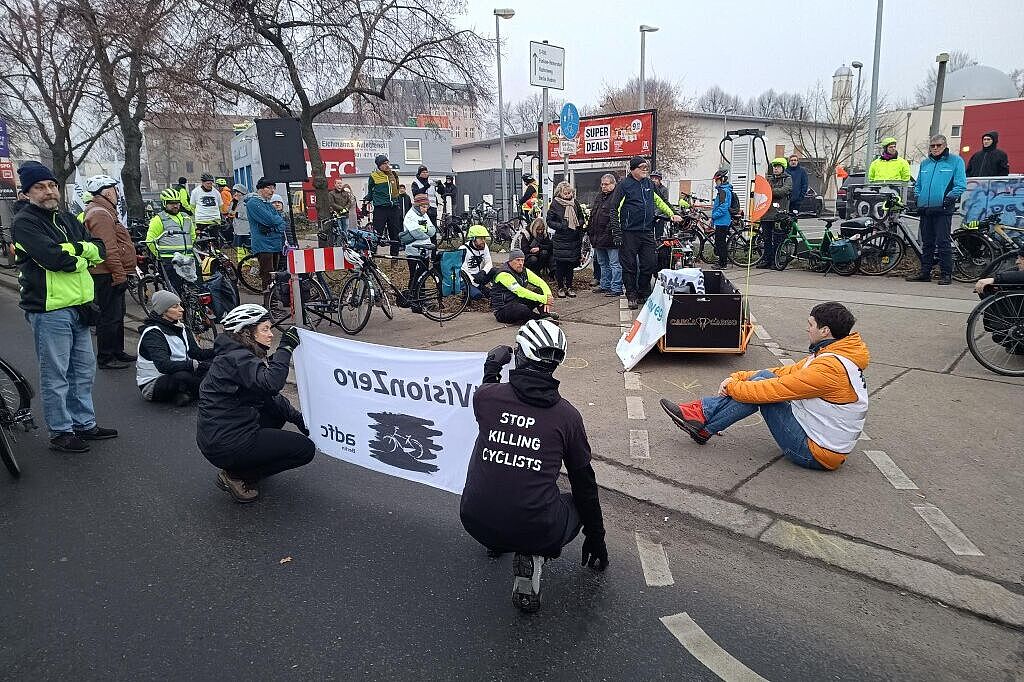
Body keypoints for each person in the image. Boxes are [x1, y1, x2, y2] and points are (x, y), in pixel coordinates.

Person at [460, 320, 607, 612]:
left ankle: (497, 542)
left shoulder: (486, 398)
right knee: (578, 499)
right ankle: (530, 556)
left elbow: (489, 386)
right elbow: (585, 485)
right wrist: (596, 537)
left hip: (475, 519)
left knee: (490, 452)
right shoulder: (568, 417)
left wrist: (492, 365)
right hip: (537, 530)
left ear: (519, 354)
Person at [660, 302, 869, 472]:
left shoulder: (829, 368)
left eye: (811, 324)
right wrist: (739, 376)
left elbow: (772, 390)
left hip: (815, 454)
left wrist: (732, 386)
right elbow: (782, 373)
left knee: (764, 391)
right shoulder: (834, 355)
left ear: (824, 331)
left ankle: (702, 419)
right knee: (765, 378)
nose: (807, 328)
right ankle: (702, 423)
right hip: (820, 441)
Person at [11, 161, 116, 453]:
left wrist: (75, 251)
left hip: (80, 305)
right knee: (56, 375)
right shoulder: (25, 222)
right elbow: (55, 259)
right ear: (27, 192)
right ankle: (60, 431)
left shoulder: (67, 218)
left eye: (52, 185)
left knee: (83, 371)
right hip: (50, 310)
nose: (48, 191)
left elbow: (100, 250)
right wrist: (81, 253)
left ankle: (84, 423)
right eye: (40, 187)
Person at [197, 305, 313, 503]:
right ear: (247, 333)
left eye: (270, 328)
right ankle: (237, 475)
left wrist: (298, 419)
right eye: (265, 329)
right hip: (226, 442)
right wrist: (285, 347)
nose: (271, 334)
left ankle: (245, 463)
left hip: (220, 436)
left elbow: (270, 397)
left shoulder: (235, 354)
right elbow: (271, 384)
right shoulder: (236, 358)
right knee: (305, 449)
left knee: (276, 411)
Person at [608, 157, 683, 309]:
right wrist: (617, 232)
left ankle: (643, 291)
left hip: (647, 231)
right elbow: (614, 209)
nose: (645, 169)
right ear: (633, 169)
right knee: (629, 266)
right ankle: (631, 295)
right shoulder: (624, 185)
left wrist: (672, 214)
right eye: (641, 167)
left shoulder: (649, 184)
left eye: (646, 167)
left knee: (650, 264)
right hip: (628, 232)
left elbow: (660, 201)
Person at [82, 174, 136, 370]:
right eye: (115, 189)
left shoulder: (104, 211)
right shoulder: (100, 214)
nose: (117, 193)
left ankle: (117, 351)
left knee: (117, 314)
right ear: (107, 192)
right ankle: (106, 357)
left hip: (110, 272)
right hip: (107, 274)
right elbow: (108, 249)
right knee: (109, 317)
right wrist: (119, 275)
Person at [906, 134, 967, 286]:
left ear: (945, 145)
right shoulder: (925, 163)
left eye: (938, 145)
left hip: (943, 209)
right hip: (926, 208)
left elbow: (961, 184)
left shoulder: (955, 161)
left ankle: (946, 274)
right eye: (932, 146)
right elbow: (918, 184)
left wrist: (949, 198)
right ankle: (925, 272)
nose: (935, 148)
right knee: (927, 242)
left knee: (943, 242)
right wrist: (918, 197)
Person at [136, 290, 215, 406]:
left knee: (216, 361)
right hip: (154, 382)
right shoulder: (153, 334)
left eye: (180, 305)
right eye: (175, 307)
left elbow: (195, 353)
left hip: (181, 370)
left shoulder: (182, 327)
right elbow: (164, 365)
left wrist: (219, 350)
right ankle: (209, 390)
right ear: (163, 311)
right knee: (183, 377)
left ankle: (187, 394)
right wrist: (194, 365)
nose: (181, 309)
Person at [147, 188, 198, 296]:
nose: (175, 206)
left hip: (187, 258)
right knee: (175, 290)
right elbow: (150, 240)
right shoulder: (159, 219)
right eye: (171, 203)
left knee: (195, 287)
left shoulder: (186, 217)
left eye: (177, 203)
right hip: (169, 261)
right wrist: (159, 255)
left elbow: (192, 235)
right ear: (164, 204)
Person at [246, 178, 288, 297]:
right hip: (263, 244)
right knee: (268, 275)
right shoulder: (253, 203)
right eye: (269, 188)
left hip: (274, 244)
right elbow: (270, 220)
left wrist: (275, 225)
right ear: (260, 189)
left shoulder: (267, 204)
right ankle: (269, 303)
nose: (272, 191)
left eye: (273, 188)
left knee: (274, 275)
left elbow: (281, 222)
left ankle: (273, 300)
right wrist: (276, 224)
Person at [490, 249, 556, 324]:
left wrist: (548, 297)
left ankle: (545, 315)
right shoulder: (503, 274)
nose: (521, 263)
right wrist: (544, 299)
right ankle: (540, 319)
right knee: (522, 309)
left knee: (540, 291)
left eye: (522, 260)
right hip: (503, 309)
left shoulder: (523, 270)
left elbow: (541, 283)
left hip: (517, 302)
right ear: (510, 261)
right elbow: (520, 291)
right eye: (518, 260)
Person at [547, 181, 585, 298]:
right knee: (560, 266)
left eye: (569, 193)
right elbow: (549, 221)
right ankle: (560, 287)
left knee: (570, 266)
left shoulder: (575, 203)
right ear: (560, 193)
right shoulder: (555, 204)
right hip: (561, 239)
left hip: (573, 238)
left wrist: (579, 223)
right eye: (566, 193)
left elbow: (581, 216)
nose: (568, 195)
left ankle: (569, 287)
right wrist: (561, 226)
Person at [588, 173, 622, 296]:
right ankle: (605, 285)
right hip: (598, 236)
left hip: (610, 237)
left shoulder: (617, 196)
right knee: (603, 264)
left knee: (614, 264)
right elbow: (594, 214)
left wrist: (611, 231)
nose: (603, 186)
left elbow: (615, 217)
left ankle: (616, 287)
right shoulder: (600, 197)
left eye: (606, 184)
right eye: (602, 184)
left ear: (613, 184)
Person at [363, 155, 402, 257]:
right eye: (384, 164)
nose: (387, 165)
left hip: (393, 208)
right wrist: (366, 201)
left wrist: (397, 202)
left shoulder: (394, 174)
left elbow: (397, 189)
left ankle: (395, 258)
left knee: (395, 234)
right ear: (379, 165)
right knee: (377, 234)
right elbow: (370, 192)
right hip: (380, 209)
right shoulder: (373, 176)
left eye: (387, 163)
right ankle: (372, 256)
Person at [757, 158, 792, 269]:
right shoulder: (769, 179)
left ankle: (775, 261)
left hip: (778, 215)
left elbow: (783, 191)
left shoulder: (787, 179)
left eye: (778, 167)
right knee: (766, 239)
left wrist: (769, 191)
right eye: (774, 167)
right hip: (766, 214)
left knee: (777, 239)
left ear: (783, 168)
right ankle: (767, 259)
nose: (775, 169)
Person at [401, 193, 437, 286]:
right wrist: (427, 232)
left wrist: (426, 231)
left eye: (427, 207)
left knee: (423, 276)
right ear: (417, 206)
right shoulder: (410, 216)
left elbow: (433, 231)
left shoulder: (424, 215)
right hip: (414, 251)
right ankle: (413, 293)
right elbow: (417, 234)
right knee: (415, 276)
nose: (426, 209)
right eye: (423, 207)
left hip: (425, 249)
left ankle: (421, 294)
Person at [459, 224, 493, 299]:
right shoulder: (463, 249)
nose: (483, 241)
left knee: (494, 271)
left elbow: (489, 263)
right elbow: (463, 271)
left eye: (484, 238)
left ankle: (497, 292)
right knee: (477, 295)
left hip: (478, 275)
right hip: (466, 279)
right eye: (481, 238)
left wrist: (483, 272)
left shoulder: (484, 246)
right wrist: (479, 285)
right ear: (473, 238)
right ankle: (466, 294)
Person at [710, 170, 734, 269]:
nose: (716, 182)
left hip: (722, 221)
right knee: (720, 242)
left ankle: (723, 263)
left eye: (717, 180)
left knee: (721, 243)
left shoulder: (724, 191)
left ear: (722, 179)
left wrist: (714, 215)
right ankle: (721, 261)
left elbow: (724, 207)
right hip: (721, 220)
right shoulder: (723, 190)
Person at [190, 173, 223, 241]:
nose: (210, 185)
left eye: (211, 183)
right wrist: (196, 218)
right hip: (201, 221)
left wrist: (220, 217)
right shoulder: (195, 192)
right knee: (203, 241)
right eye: (208, 183)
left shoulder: (216, 192)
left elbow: (220, 206)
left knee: (215, 241)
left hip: (214, 220)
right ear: (202, 183)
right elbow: (192, 207)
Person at [228, 184, 250, 260]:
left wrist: (237, 215)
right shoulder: (235, 201)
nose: (236, 194)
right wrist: (234, 202)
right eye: (235, 192)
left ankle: (248, 262)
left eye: (238, 192)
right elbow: (230, 212)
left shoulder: (247, 202)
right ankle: (241, 262)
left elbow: (249, 215)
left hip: (246, 230)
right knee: (239, 248)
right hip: (238, 230)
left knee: (247, 248)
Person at [650, 170, 671, 239]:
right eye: (652, 178)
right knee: (649, 235)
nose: (653, 180)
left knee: (659, 236)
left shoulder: (664, 190)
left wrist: (657, 215)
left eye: (656, 178)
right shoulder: (649, 189)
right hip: (650, 215)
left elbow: (664, 203)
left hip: (659, 216)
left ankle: (659, 244)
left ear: (660, 179)